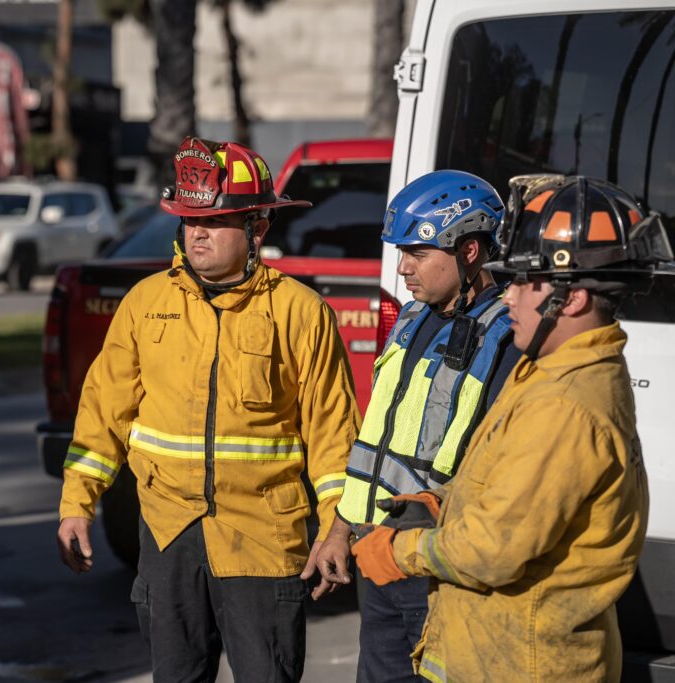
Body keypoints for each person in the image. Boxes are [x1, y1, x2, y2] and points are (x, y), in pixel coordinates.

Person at [56, 137, 360, 682]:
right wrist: (76, 505)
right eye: (190, 219)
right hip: (169, 537)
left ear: (257, 229)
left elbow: (333, 436)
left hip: (264, 542)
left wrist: (336, 529)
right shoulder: (146, 304)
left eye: (215, 221)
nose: (197, 232)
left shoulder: (300, 313)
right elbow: (103, 414)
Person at [350, 175, 670, 682]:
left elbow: (491, 550)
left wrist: (397, 552)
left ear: (574, 300)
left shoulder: (565, 405)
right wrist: (442, 502)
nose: (510, 297)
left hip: (527, 663)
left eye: (524, 282)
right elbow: (506, 483)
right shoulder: (551, 369)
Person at [305, 170, 522, 682]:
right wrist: (339, 530)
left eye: (418, 254)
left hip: (438, 570)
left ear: (469, 251)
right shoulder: (409, 319)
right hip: (378, 557)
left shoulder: (508, 339)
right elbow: (373, 444)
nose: (403, 268)